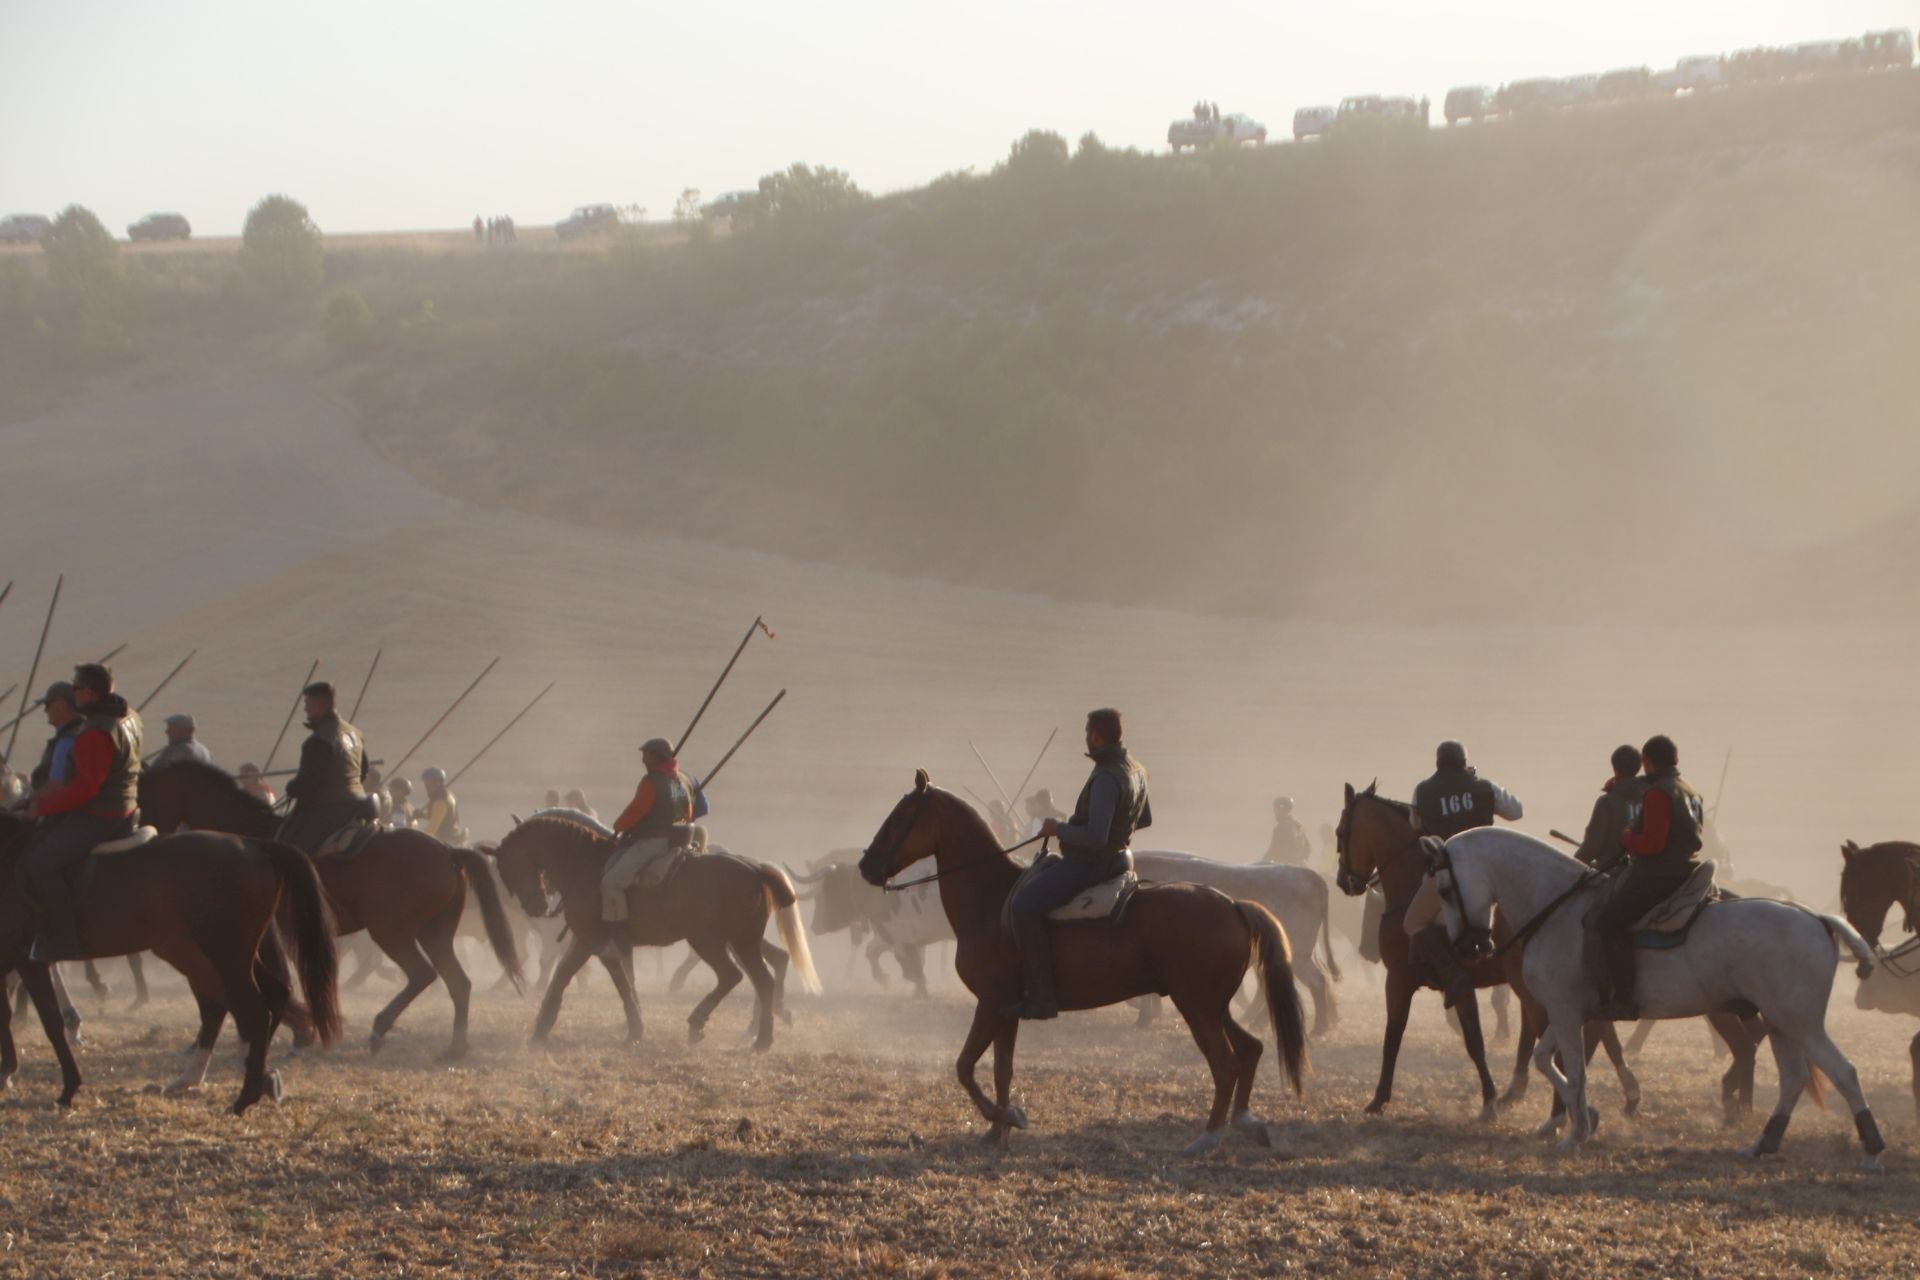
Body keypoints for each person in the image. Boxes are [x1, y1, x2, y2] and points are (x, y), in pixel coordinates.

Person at [1005, 708, 1150, 1021]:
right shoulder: (1137, 769)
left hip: (1092, 863)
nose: (1086, 737)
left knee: (1023, 906)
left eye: (1087, 732)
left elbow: (1096, 837)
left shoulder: (1106, 777)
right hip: (1122, 859)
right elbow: (1145, 818)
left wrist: (1058, 829)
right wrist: (1118, 830)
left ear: (1096, 735)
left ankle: (1042, 997)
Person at [24, 663, 143, 961]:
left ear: (89, 692)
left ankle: (65, 939)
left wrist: (42, 807)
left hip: (101, 815)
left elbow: (85, 789)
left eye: (76, 687)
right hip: (125, 807)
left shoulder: (95, 732)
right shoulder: (130, 717)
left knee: (39, 862)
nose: (73, 692)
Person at [1593, 735, 1704, 1020]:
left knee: (1608, 922)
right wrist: (1624, 784)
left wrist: (1627, 838)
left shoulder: (1658, 794)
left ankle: (1624, 998)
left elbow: (1652, 845)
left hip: (1658, 875)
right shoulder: (1689, 789)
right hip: (1687, 870)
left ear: (1648, 761)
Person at [1408, 740, 1523, 1007]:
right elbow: (1516, 812)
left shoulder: (1422, 791)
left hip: (1447, 874)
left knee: (1413, 922)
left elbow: (1415, 824)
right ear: (1464, 762)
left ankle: (1450, 973)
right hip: (1488, 873)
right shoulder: (1484, 787)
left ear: (1437, 763)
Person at [603, 737, 702, 924]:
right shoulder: (683, 780)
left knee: (611, 883)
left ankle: (619, 929)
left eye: (646, 755)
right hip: (678, 842)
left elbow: (636, 810)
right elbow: (689, 813)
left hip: (653, 843)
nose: (643, 760)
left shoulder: (651, 781)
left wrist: (618, 826)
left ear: (657, 756)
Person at [278, 681, 375, 856]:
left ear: (319, 706)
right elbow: (364, 769)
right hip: (357, 804)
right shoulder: (354, 732)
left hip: (330, 809)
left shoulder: (319, 741)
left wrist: (292, 787)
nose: (305, 709)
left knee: (288, 851)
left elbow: (308, 783)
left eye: (308, 704)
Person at [1573, 744, 1649, 868]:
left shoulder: (1607, 802)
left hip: (1613, 872)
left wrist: (1573, 864)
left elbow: (1592, 846)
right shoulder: (1652, 797)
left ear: (1615, 768)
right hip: (1644, 869)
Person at [28, 682, 85, 792]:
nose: (45, 710)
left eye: (47, 705)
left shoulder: (66, 741)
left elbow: (55, 786)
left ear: (61, 705)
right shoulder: (84, 731)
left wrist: (27, 799)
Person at [1261, 796, 1312, 865]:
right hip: (1297, 867)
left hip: (1284, 867)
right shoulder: (1299, 826)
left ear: (1281, 810)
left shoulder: (1281, 828)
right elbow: (1308, 848)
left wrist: (1261, 862)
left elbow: (1273, 850)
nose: (1274, 813)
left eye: (1275, 810)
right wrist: (1303, 860)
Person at [414, 766, 460, 842]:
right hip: (451, 837)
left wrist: (414, 836)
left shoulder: (441, 801)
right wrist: (423, 815)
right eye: (425, 783)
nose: (426, 786)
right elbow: (441, 817)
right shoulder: (449, 795)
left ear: (438, 782)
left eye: (428, 783)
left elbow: (431, 830)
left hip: (444, 841)